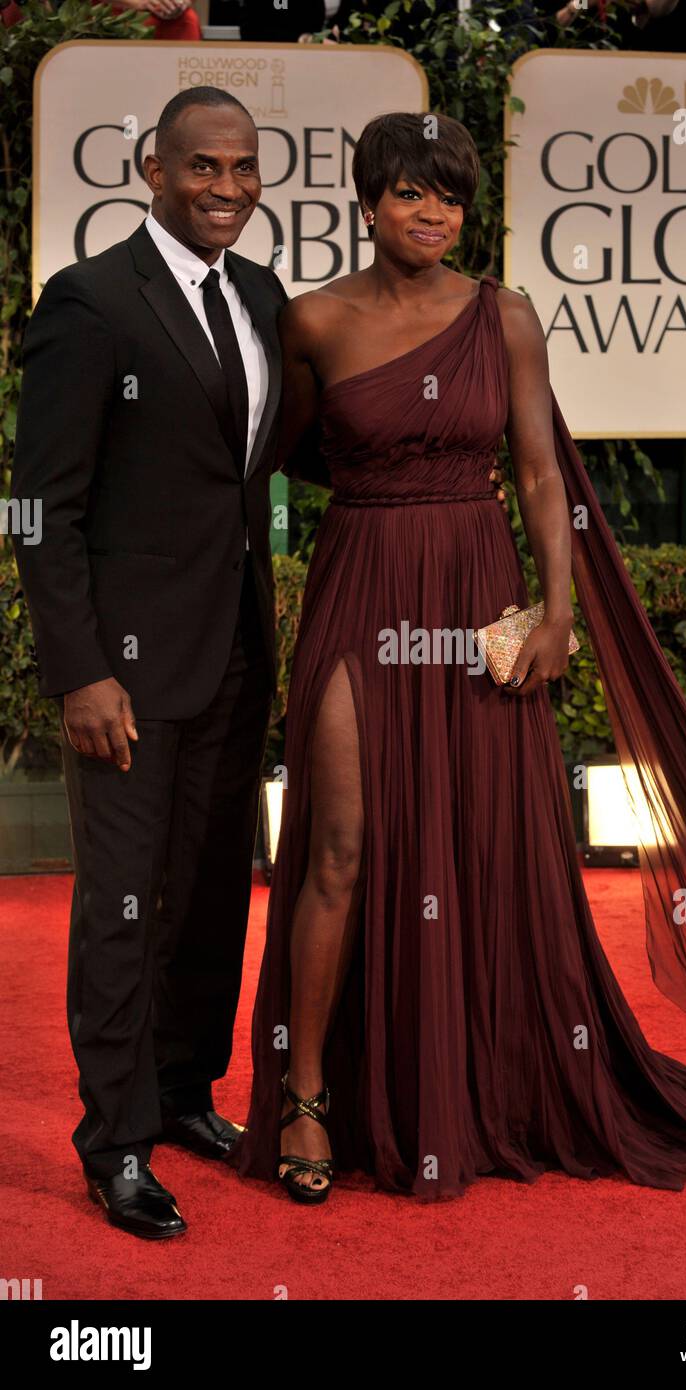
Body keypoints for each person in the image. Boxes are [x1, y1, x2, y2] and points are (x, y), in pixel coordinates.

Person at [232, 110, 686, 1205]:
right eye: (410, 194)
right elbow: (277, 459)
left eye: (451, 197)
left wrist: (558, 611)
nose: (433, 215)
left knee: (480, 846)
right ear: (366, 201)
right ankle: (307, 1095)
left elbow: (537, 476)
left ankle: (480, 1086)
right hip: (360, 584)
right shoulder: (313, 321)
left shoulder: (504, 317)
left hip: (480, 594)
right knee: (334, 841)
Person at [11, 88, 285, 1241]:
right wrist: (79, 671)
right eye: (203, 168)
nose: (226, 188)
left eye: (243, 168)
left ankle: (181, 1093)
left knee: (215, 892)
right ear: (154, 173)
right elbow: (41, 507)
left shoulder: (262, 297)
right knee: (122, 908)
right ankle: (115, 1140)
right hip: (123, 674)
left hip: (233, 655)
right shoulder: (89, 303)